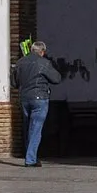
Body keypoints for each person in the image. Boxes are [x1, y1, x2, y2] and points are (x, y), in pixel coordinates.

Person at [12, 39, 60, 167]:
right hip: (40, 98)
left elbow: (14, 83)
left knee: (28, 128)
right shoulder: (44, 63)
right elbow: (56, 78)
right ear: (42, 52)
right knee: (36, 128)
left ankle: (31, 156)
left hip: (24, 98)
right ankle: (30, 159)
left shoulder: (20, 62)